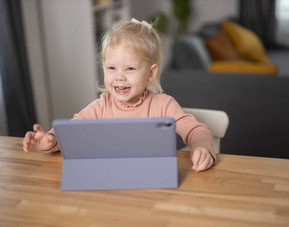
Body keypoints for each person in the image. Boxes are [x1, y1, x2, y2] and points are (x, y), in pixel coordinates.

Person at [23, 19, 216, 172]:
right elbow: (71, 131)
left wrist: (202, 148)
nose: (119, 77)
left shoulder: (164, 105)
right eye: (112, 68)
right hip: (111, 185)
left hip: (152, 188)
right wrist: (50, 140)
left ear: (150, 73)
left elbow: (196, 130)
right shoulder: (101, 107)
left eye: (130, 68)